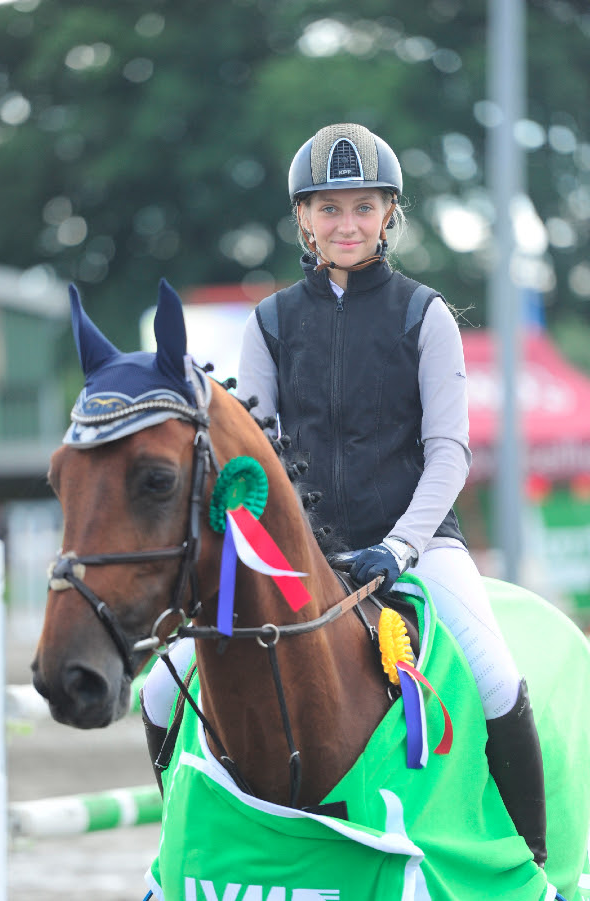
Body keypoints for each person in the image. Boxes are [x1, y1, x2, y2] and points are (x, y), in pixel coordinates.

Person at [235, 122, 547, 867]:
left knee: (496, 673)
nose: (347, 225)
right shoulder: (269, 322)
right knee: (161, 691)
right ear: (303, 219)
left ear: (389, 215)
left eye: (364, 208)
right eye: (329, 209)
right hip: (304, 555)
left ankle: (535, 861)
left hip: (415, 544)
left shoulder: (424, 313)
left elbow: (449, 452)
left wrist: (401, 545)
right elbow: (254, 452)